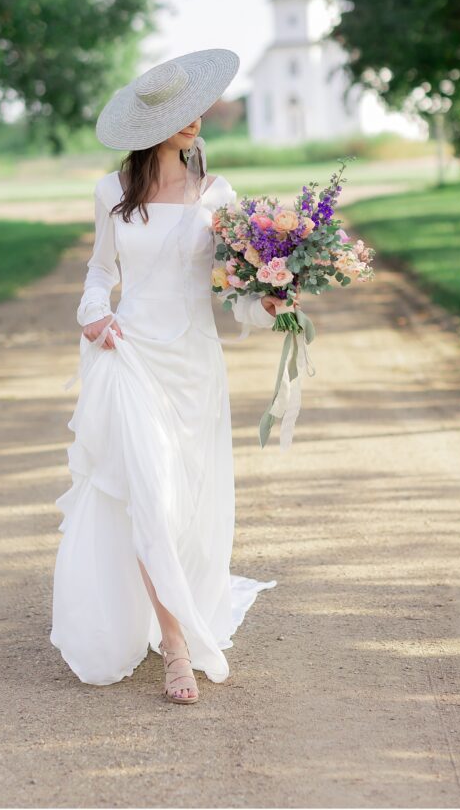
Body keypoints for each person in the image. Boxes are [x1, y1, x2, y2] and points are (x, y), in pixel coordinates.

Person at [50, 49, 292, 705]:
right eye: (182, 114)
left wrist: (267, 304)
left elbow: (232, 294)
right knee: (150, 496)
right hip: (129, 356)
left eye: (197, 109)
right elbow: (101, 275)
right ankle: (177, 647)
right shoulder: (111, 194)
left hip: (194, 365)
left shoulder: (218, 196)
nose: (197, 120)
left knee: (187, 506)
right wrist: (94, 315)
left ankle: (185, 610)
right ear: (150, 127)